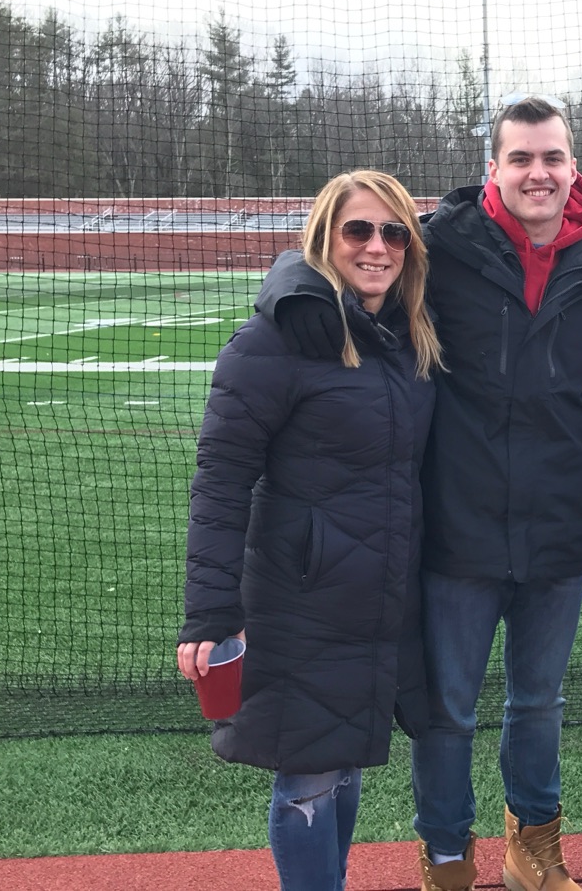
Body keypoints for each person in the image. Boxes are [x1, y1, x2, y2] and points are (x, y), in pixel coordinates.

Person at [255, 97, 582, 891]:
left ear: (573, 168)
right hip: (456, 527)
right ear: (492, 168)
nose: (539, 173)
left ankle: (534, 849)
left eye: (552, 158)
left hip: (561, 526)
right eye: (521, 159)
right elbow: (338, 261)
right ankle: (449, 857)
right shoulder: (438, 244)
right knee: (447, 711)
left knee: (539, 703)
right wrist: (291, 288)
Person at [177, 170, 442, 891]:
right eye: (359, 229)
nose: (378, 246)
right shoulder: (275, 338)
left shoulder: (404, 333)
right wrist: (209, 614)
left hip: (378, 596)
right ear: (324, 238)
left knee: (342, 762)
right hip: (303, 597)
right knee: (309, 775)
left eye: (394, 231)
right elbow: (221, 481)